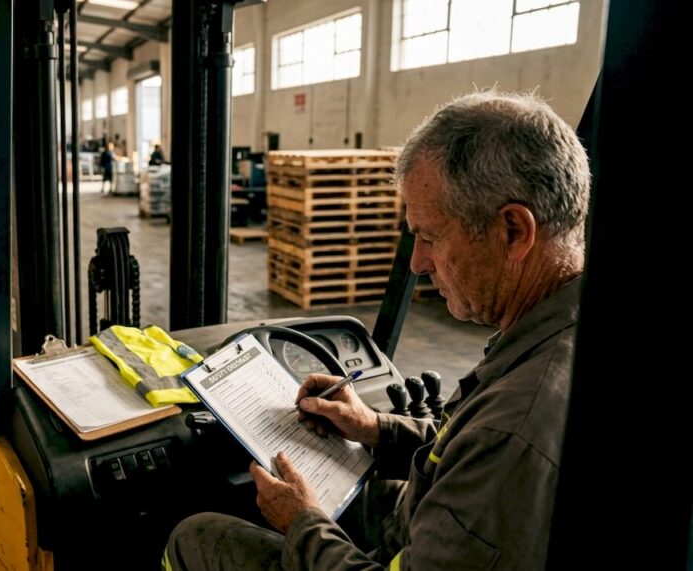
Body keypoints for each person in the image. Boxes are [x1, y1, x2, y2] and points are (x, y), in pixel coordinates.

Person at [165, 90, 591, 569]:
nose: (417, 262)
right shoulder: (558, 329)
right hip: (418, 528)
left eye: (429, 237)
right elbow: (465, 452)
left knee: (196, 537)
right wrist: (375, 428)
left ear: (514, 231)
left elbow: (492, 446)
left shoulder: (518, 429)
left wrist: (303, 523)